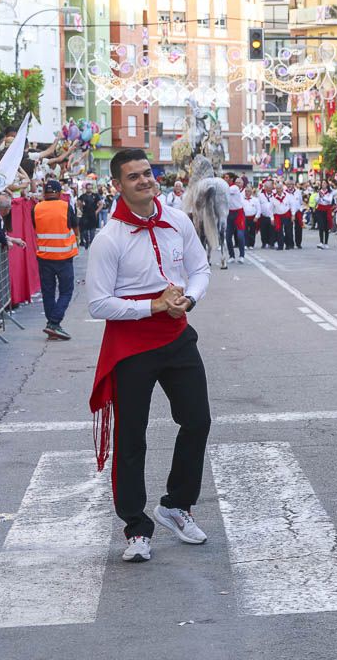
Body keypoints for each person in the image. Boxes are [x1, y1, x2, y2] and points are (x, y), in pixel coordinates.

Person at [86, 148, 212, 563]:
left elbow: (200, 269)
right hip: (131, 345)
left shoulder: (177, 221)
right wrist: (151, 307)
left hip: (177, 335)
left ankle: (176, 505)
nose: (144, 180)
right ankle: (136, 528)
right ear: (118, 186)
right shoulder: (109, 239)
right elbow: (99, 304)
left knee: (197, 420)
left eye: (147, 173)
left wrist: (187, 301)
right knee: (131, 437)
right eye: (134, 176)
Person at [33, 179, 80, 340]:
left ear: (44, 193)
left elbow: (36, 227)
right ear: (59, 193)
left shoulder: (37, 208)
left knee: (48, 291)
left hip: (44, 256)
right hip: (64, 256)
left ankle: (52, 324)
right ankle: (54, 322)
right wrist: (77, 239)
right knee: (66, 291)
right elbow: (75, 225)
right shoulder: (65, 206)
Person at [222, 172, 246, 264]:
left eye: (227, 177)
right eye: (224, 177)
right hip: (229, 214)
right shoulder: (226, 187)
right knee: (228, 237)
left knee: (240, 236)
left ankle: (241, 255)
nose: (225, 179)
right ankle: (231, 256)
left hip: (238, 213)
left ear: (231, 179)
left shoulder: (234, 188)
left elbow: (225, 190)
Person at [77, 182, 102, 249]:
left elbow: (101, 204)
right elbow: (78, 203)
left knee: (92, 232)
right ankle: (86, 242)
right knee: (84, 231)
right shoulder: (83, 196)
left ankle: (91, 243)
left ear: (92, 188)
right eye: (88, 188)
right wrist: (81, 208)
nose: (89, 189)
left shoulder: (95, 195)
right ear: (86, 189)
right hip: (85, 215)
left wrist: (96, 212)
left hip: (92, 216)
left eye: (90, 188)